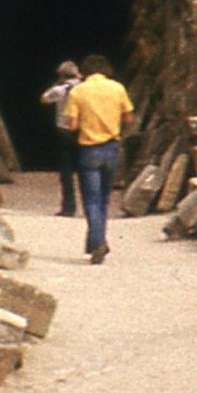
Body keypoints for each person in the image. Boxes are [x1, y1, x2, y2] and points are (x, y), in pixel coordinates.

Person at [61, 53, 135, 263]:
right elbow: (129, 118)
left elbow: (72, 125)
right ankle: (98, 241)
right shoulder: (118, 88)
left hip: (88, 149)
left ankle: (97, 241)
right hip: (111, 148)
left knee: (91, 200)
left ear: (85, 71)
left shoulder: (78, 91)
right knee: (103, 199)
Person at [40, 60, 82, 217]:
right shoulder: (85, 87)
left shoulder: (60, 90)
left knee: (66, 171)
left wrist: (57, 84)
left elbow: (44, 98)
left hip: (64, 132)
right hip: (83, 131)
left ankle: (69, 207)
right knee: (86, 169)